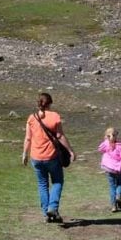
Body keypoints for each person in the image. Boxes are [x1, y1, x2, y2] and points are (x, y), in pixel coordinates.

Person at [22, 92, 75, 223]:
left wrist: (24, 153)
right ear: (50, 103)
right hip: (51, 157)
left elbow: (28, 138)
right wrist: (70, 150)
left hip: (36, 157)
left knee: (42, 184)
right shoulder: (55, 116)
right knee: (57, 182)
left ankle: (46, 213)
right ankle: (53, 207)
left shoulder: (31, 118)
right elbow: (60, 136)